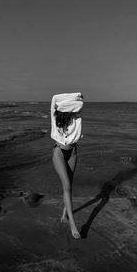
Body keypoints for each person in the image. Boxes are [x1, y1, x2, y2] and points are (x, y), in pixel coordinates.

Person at [51, 92, 84, 239]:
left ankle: (65, 213)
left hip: (73, 152)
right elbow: (54, 98)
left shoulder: (77, 117)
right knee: (67, 186)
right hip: (58, 152)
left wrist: (79, 95)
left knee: (70, 184)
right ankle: (73, 224)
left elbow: (81, 101)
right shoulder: (54, 116)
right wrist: (72, 97)